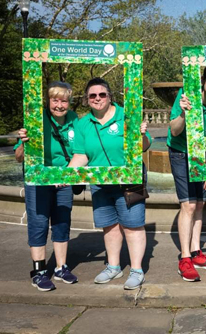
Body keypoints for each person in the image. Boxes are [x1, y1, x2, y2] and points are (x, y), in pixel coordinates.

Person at [69, 77, 152, 290]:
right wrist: (66, 176)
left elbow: (144, 146)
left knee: (133, 225)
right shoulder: (83, 123)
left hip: (130, 179)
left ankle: (136, 270)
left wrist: (141, 134)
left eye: (102, 94)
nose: (97, 98)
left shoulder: (127, 115)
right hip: (99, 182)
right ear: (87, 100)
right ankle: (113, 266)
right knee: (109, 226)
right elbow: (81, 155)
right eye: (92, 95)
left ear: (110, 96)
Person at [15, 81, 79, 291]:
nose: (59, 105)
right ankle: (39, 271)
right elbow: (18, 157)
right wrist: (23, 142)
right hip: (39, 179)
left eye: (64, 100)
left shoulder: (73, 119)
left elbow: (79, 149)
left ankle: (61, 267)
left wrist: (68, 173)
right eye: (55, 100)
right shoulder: (36, 118)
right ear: (48, 101)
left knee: (62, 221)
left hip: (63, 178)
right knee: (39, 222)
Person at [168, 66, 206, 282]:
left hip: (201, 153)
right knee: (189, 205)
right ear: (203, 81)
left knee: (200, 204)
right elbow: (174, 130)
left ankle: (195, 253)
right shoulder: (187, 94)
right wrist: (183, 112)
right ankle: (184, 258)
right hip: (180, 151)